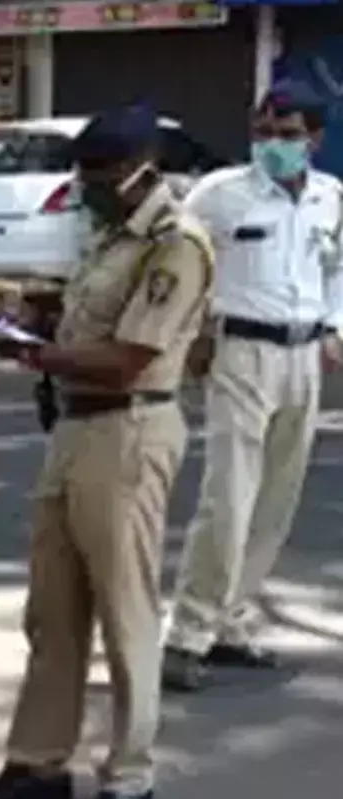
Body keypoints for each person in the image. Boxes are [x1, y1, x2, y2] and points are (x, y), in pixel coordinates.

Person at [0, 104, 214, 799]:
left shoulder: (175, 245)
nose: (88, 187)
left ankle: (130, 774)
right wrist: (27, 317)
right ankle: (38, 763)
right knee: (53, 609)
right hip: (75, 427)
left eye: (99, 176)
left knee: (125, 609)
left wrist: (29, 353)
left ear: (140, 171)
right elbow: (83, 317)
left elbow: (129, 357)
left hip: (129, 428)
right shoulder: (108, 235)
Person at [161, 83, 343, 692]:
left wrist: (335, 327)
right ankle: (187, 634)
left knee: (275, 501)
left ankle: (229, 621)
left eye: (287, 134)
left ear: (315, 138)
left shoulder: (329, 197)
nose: (272, 145)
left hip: (304, 356)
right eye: (262, 132)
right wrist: (190, 333)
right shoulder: (219, 195)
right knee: (230, 498)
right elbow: (178, 263)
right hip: (240, 352)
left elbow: (337, 268)